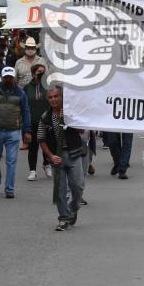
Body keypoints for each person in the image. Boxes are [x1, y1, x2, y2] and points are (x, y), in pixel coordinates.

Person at [0, 67, 32, 198]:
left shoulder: (21, 93)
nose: (8, 79)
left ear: (14, 78)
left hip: (13, 132)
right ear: (2, 77)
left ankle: (9, 189)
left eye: (10, 77)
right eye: (6, 77)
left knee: (11, 161)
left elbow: (26, 112)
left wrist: (27, 131)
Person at [38, 87, 85, 231]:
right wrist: (51, 156)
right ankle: (63, 218)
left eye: (56, 96)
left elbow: (81, 130)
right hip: (57, 157)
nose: (53, 99)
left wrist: (70, 122)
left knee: (78, 186)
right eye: (50, 97)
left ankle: (73, 208)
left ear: (62, 97)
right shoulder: (45, 117)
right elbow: (41, 139)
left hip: (74, 155)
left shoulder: (71, 112)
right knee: (60, 190)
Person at [24, 63, 51, 180]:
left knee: (47, 144)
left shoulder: (48, 86)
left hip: (46, 121)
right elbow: (24, 106)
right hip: (32, 121)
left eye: (43, 72)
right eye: (39, 71)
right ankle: (32, 170)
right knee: (33, 147)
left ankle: (47, 164)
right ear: (33, 73)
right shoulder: (27, 88)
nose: (41, 74)